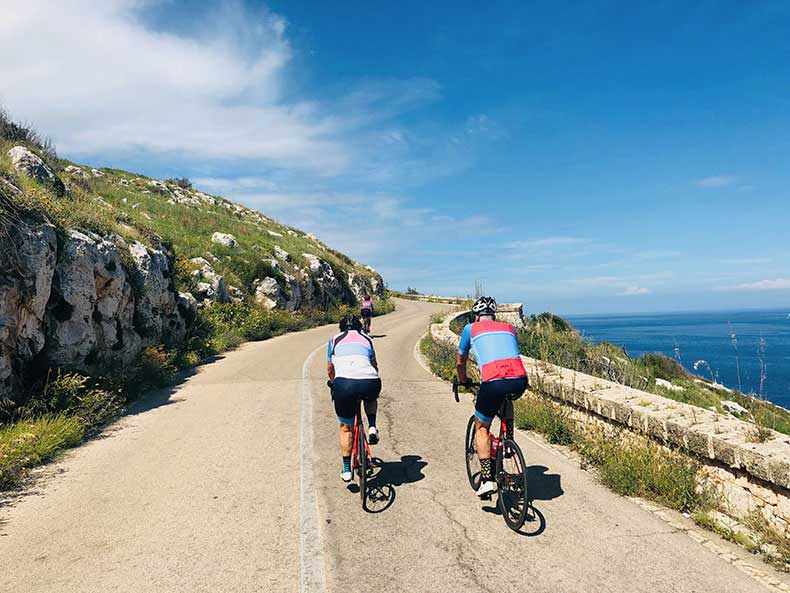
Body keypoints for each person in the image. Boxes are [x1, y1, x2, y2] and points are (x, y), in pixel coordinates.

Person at [456, 296, 529, 497]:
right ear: (493, 315)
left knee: (482, 428)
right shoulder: (508, 327)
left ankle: (487, 479)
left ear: (476, 315)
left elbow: (460, 361)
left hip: (493, 380)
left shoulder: (470, 329)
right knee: (507, 398)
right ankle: (509, 441)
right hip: (520, 379)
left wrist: (463, 380)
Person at [327, 314, 382, 482]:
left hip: (344, 384)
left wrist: (332, 383)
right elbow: (374, 365)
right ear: (359, 327)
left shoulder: (334, 340)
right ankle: (372, 426)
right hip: (369, 380)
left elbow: (330, 368)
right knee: (371, 398)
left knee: (345, 427)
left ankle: (346, 469)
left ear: (341, 328)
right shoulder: (368, 339)